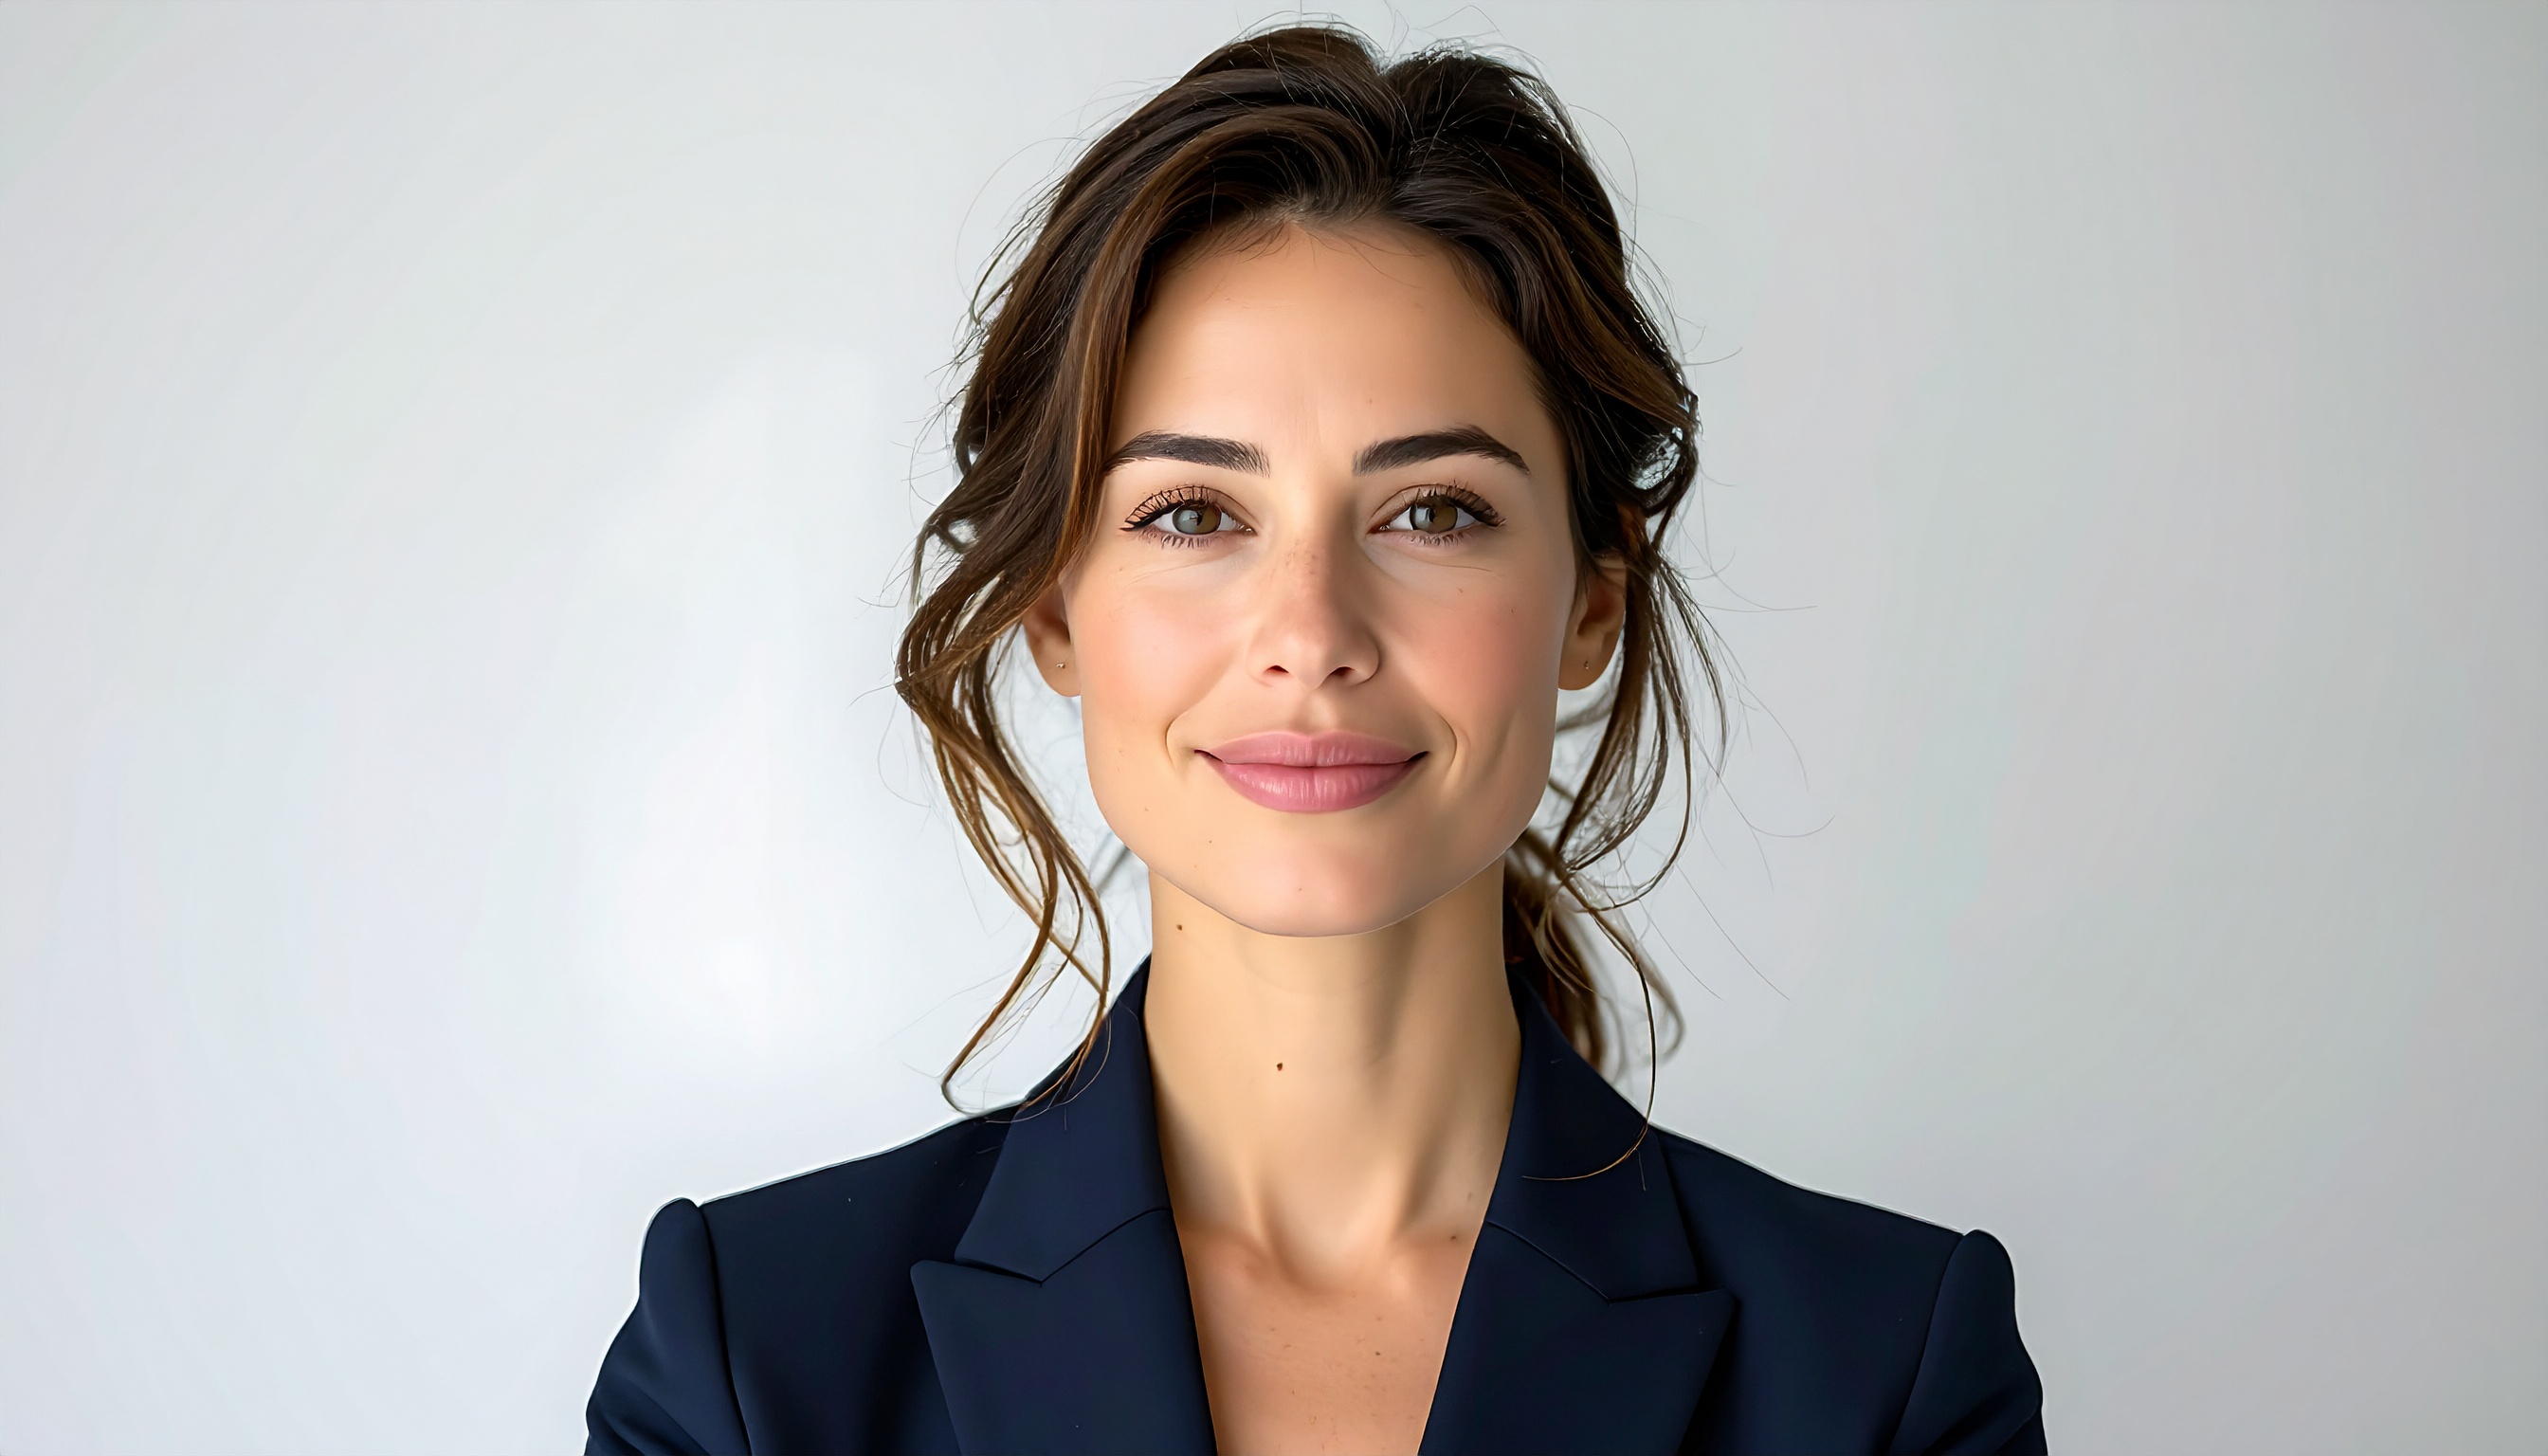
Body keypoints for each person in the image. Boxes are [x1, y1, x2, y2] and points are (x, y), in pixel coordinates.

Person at [586, 26, 2044, 1456]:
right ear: (1051, 608)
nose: (1312, 629)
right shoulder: (750, 1361)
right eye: (1193, 515)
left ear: (1593, 604)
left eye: (1435, 512)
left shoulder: (1888, 1375)